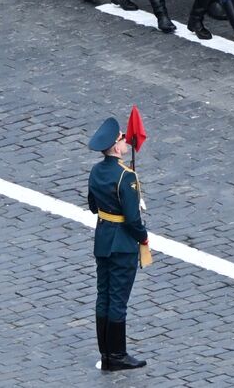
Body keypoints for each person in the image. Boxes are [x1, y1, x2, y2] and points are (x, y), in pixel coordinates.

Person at [86, 117, 148, 372]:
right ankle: (118, 355)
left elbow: (92, 207)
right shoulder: (126, 176)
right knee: (118, 300)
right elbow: (132, 220)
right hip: (122, 244)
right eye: (122, 138)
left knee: (104, 297)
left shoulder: (96, 172)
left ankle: (106, 353)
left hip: (103, 241)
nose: (126, 141)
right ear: (114, 147)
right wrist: (143, 237)